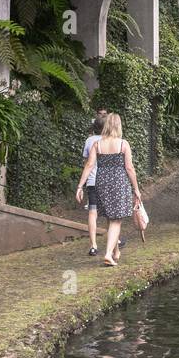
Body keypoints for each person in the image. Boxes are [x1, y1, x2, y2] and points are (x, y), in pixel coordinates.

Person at [76, 113, 142, 267]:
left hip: (101, 182)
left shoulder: (97, 144)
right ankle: (107, 254)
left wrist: (80, 186)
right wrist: (136, 189)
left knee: (110, 217)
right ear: (118, 126)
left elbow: (89, 165)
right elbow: (130, 168)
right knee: (116, 220)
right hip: (119, 182)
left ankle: (116, 251)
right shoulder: (123, 144)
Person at [82, 110, 107, 256]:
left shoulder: (89, 141)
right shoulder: (111, 140)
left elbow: (86, 163)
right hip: (107, 181)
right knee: (110, 213)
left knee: (92, 213)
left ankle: (93, 246)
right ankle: (114, 241)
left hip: (92, 181)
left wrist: (82, 183)